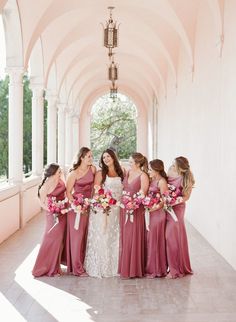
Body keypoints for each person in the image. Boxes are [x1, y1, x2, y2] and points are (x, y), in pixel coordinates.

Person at [84, 148, 124, 278]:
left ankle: (115, 266)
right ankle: (101, 266)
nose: (106, 159)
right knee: (103, 234)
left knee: (115, 236)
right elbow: (96, 192)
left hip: (117, 209)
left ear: (113, 158)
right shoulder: (101, 173)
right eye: (104, 157)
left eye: (108, 156)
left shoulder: (121, 171)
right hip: (103, 209)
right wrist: (104, 202)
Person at [32, 163, 67, 277]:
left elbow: (65, 193)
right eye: (59, 171)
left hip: (63, 213)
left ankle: (55, 267)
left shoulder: (61, 179)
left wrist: (63, 205)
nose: (60, 172)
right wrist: (53, 210)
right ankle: (44, 267)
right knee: (51, 239)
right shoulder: (45, 185)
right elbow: (41, 203)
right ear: (53, 172)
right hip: (52, 215)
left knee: (60, 240)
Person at [118, 152, 149, 278]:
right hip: (125, 209)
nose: (129, 164)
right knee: (126, 237)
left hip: (136, 210)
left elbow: (143, 193)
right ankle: (125, 267)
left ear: (137, 163)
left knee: (134, 237)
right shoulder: (127, 173)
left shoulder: (143, 176)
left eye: (131, 162)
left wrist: (133, 203)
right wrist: (125, 202)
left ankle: (135, 269)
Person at [66, 147, 96, 276]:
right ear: (82, 158)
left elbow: (96, 187)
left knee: (86, 236)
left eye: (91, 156)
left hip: (89, 207)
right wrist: (76, 205)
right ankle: (77, 268)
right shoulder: (73, 173)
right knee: (77, 238)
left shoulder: (93, 169)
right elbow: (68, 192)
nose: (91, 158)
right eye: (89, 156)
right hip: (76, 210)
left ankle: (84, 264)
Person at [165, 156, 195, 278]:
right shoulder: (169, 171)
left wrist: (174, 201)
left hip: (178, 209)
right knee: (168, 237)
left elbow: (186, 197)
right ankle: (169, 266)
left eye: (174, 164)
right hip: (166, 207)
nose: (172, 165)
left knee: (171, 236)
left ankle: (176, 268)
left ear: (181, 167)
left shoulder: (187, 178)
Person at [145, 159, 169, 278]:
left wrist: (154, 208)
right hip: (151, 213)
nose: (148, 171)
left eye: (150, 169)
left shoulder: (161, 182)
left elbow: (165, 201)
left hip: (158, 214)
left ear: (156, 169)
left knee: (156, 240)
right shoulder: (152, 180)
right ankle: (151, 267)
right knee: (151, 240)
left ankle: (157, 269)